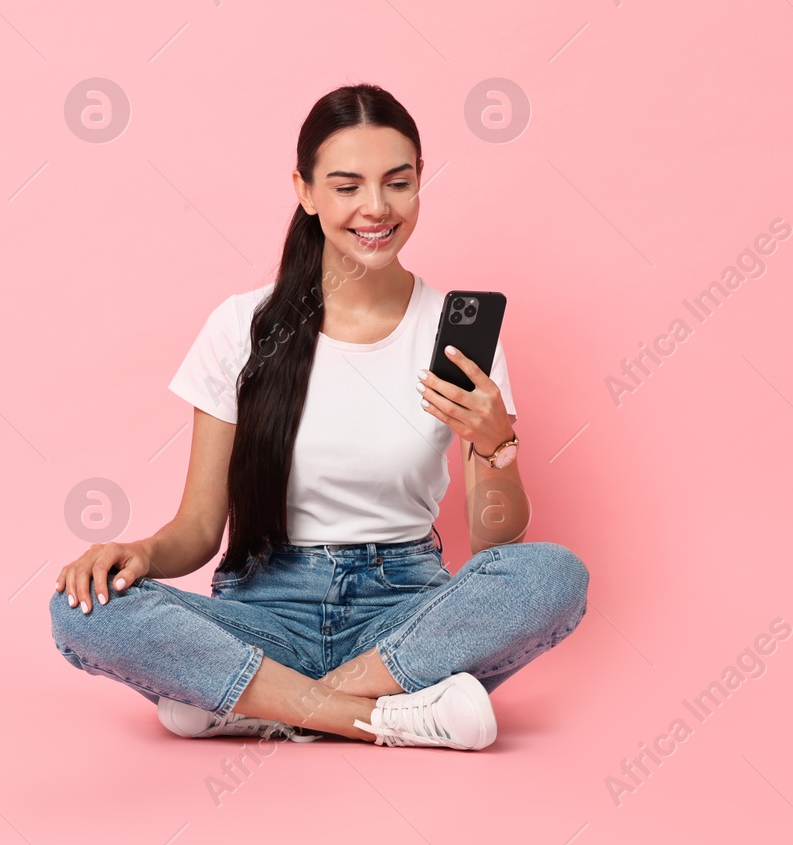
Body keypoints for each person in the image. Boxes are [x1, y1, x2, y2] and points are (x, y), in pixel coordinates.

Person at [49, 84, 588, 749]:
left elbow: (494, 543)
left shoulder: (451, 336)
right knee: (83, 609)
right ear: (304, 190)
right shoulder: (240, 326)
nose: (376, 207)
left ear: (421, 183)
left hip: (403, 611)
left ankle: (253, 698)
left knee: (554, 573)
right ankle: (381, 714)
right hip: (265, 609)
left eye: (398, 182)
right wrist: (136, 553)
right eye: (346, 185)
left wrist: (497, 443)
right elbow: (196, 530)